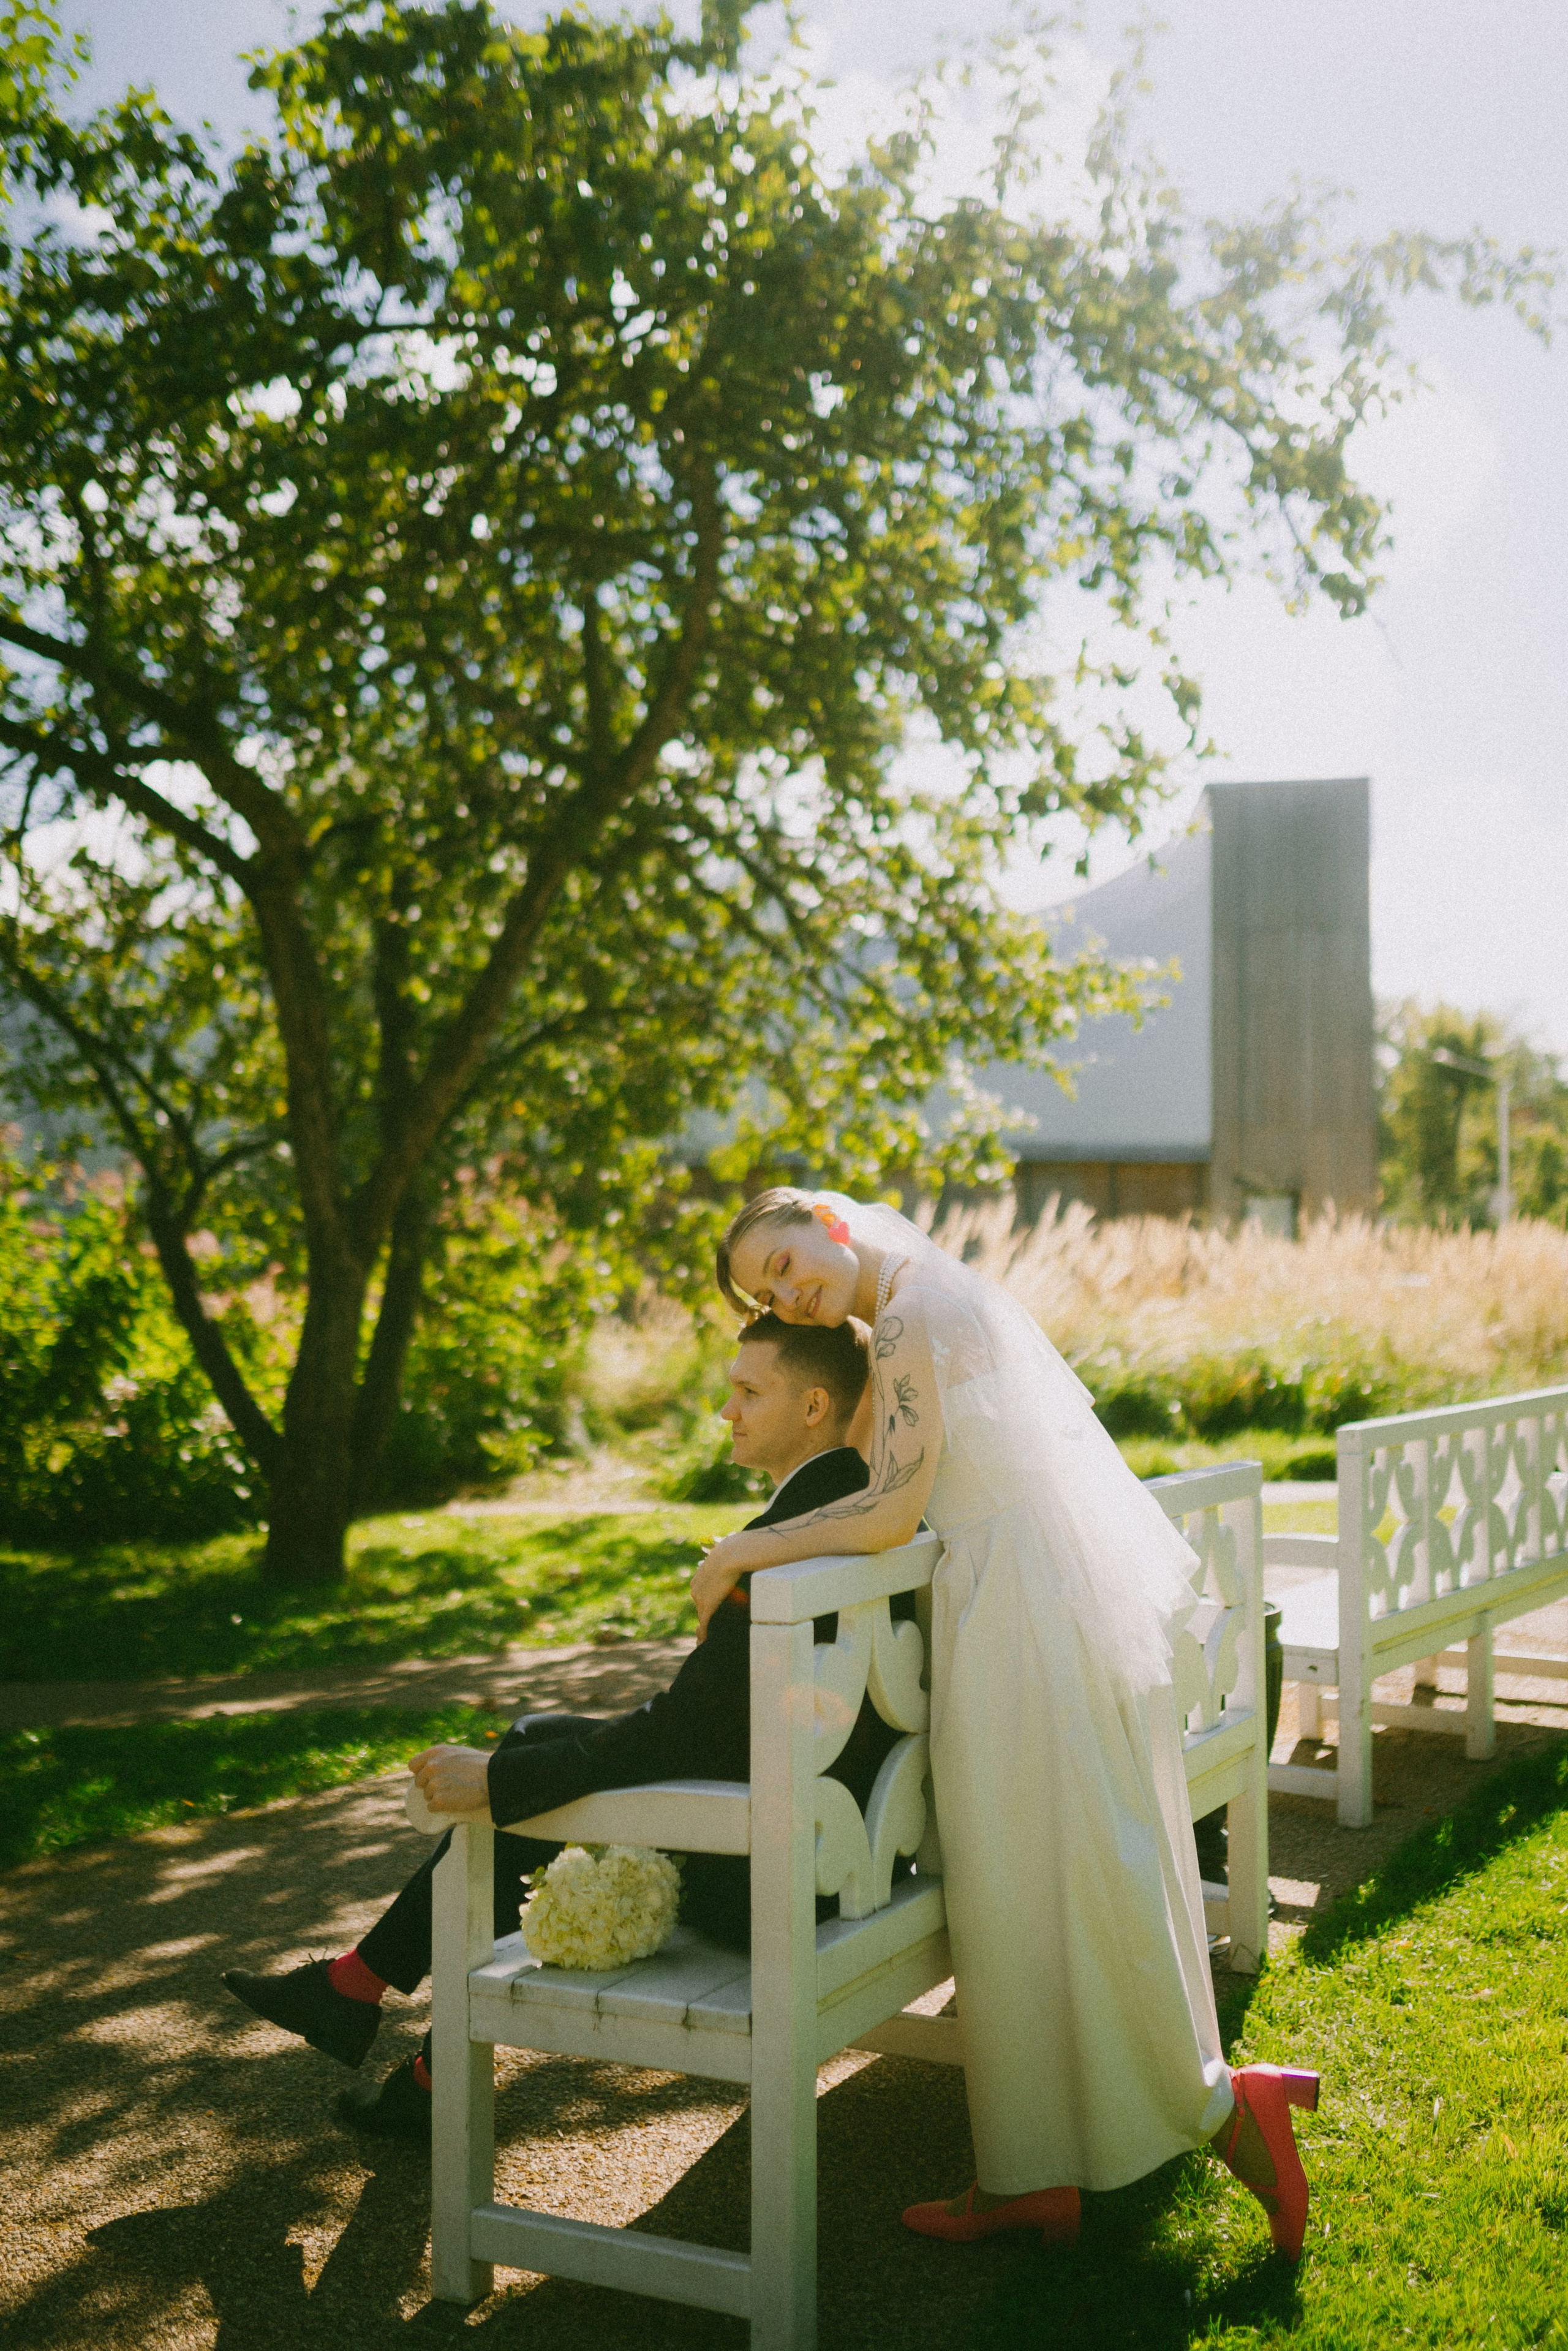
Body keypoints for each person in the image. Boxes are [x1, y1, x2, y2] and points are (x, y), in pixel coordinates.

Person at [702, 1191, 1318, 2260]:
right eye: (767, 1291)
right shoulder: (921, 1295)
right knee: (1018, 1888)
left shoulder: (907, 1314)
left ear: (829, 1225)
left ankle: (1225, 2110)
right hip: (1019, 1592)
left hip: (1016, 1610)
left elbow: (892, 1509)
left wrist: (741, 1550)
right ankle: (1030, 2170)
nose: (787, 1295)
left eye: (786, 1262)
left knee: (1066, 1877)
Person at [222, 1313, 897, 2140]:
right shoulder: (853, 1506)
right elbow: (711, 1722)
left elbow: (682, 1734)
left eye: (750, 1391)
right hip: (833, 1831)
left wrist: (499, 1780)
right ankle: (373, 2009)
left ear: (815, 1405)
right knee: (535, 1735)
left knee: (518, 1771)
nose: (727, 1410)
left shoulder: (788, 1545)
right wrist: (520, 1766)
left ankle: (376, 2014)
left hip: (774, 1875)